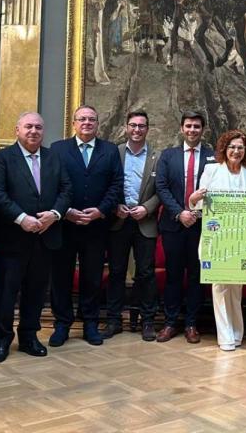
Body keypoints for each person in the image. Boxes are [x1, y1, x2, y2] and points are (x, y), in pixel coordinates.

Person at [0, 112, 72, 363]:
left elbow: (67, 190)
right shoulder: (3, 158)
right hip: (12, 238)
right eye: (28, 126)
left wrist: (55, 214)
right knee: (5, 292)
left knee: (36, 291)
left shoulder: (53, 157)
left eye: (38, 127)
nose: (33, 131)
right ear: (17, 130)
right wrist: (22, 218)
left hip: (45, 237)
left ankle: (28, 337)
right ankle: (2, 339)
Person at [48, 105, 124, 347]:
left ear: (97, 124)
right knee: (61, 276)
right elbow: (51, 184)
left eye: (92, 119)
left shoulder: (110, 151)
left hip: (96, 226)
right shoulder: (58, 149)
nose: (87, 123)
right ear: (73, 123)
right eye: (82, 119)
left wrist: (100, 211)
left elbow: (116, 185)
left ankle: (90, 323)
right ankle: (62, 324)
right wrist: (66, 211)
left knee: (92, 277)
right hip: (65, 224)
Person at [188, 129, 246, 351]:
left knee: (236, 287)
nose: (236, 151)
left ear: (245, 150)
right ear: (224, 149)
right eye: (232, 147)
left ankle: (238, 332)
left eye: (240, 147)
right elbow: (196, 204)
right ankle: (225, 335)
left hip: (241, 239)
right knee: (219, 287)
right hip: (215, 238)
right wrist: (194, 198)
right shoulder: (211, 170)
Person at [155, 111, 214, 344]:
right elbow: (161, 187)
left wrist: (195, 213)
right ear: (181, 129)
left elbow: (215, 189)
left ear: (203, 129)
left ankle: (191, 323)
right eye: (188, 126)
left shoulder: (213, 157)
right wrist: (180, 213)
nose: (192, 130)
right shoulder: (168, 156)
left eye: (197, 126)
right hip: (173, 225)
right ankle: (170, 323)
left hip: (202, 227)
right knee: (173, 276)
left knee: (197, 276)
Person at [105, 111, 161, 341]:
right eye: (133, 125)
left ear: (148, 129)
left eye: (142, 126)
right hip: (118, 221)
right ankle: (114, 320)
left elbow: (162, 190)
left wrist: (146, 208)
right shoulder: (113, 153)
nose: (137, 130)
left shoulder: (158, 157)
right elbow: (105, 184)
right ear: (126, 127)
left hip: (144, 222)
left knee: (146, 273)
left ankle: (147, 321)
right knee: (116, 272)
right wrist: (114, 205)